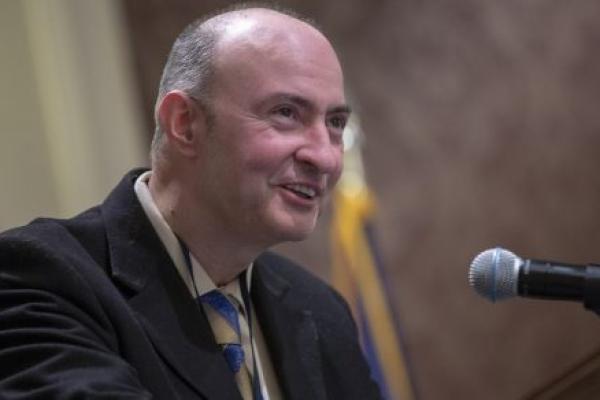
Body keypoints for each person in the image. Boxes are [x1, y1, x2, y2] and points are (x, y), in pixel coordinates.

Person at [0, 5, 382, 400]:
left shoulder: (321, 311)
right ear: (183, 122)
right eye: (286, 113)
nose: (324, 157)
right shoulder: (35, 278)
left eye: (335, 123)